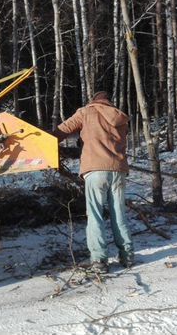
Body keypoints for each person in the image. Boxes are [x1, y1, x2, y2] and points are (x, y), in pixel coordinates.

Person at [54, 91, 134, 273]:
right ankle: (127, 256)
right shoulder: (120, 116)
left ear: (94, 101)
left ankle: (99, 260)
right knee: (119, 214)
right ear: (108, 102)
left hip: (95, 170)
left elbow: (62, 131)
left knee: (96, 215)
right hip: (118, 170)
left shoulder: (86, 112)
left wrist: (44, 143)